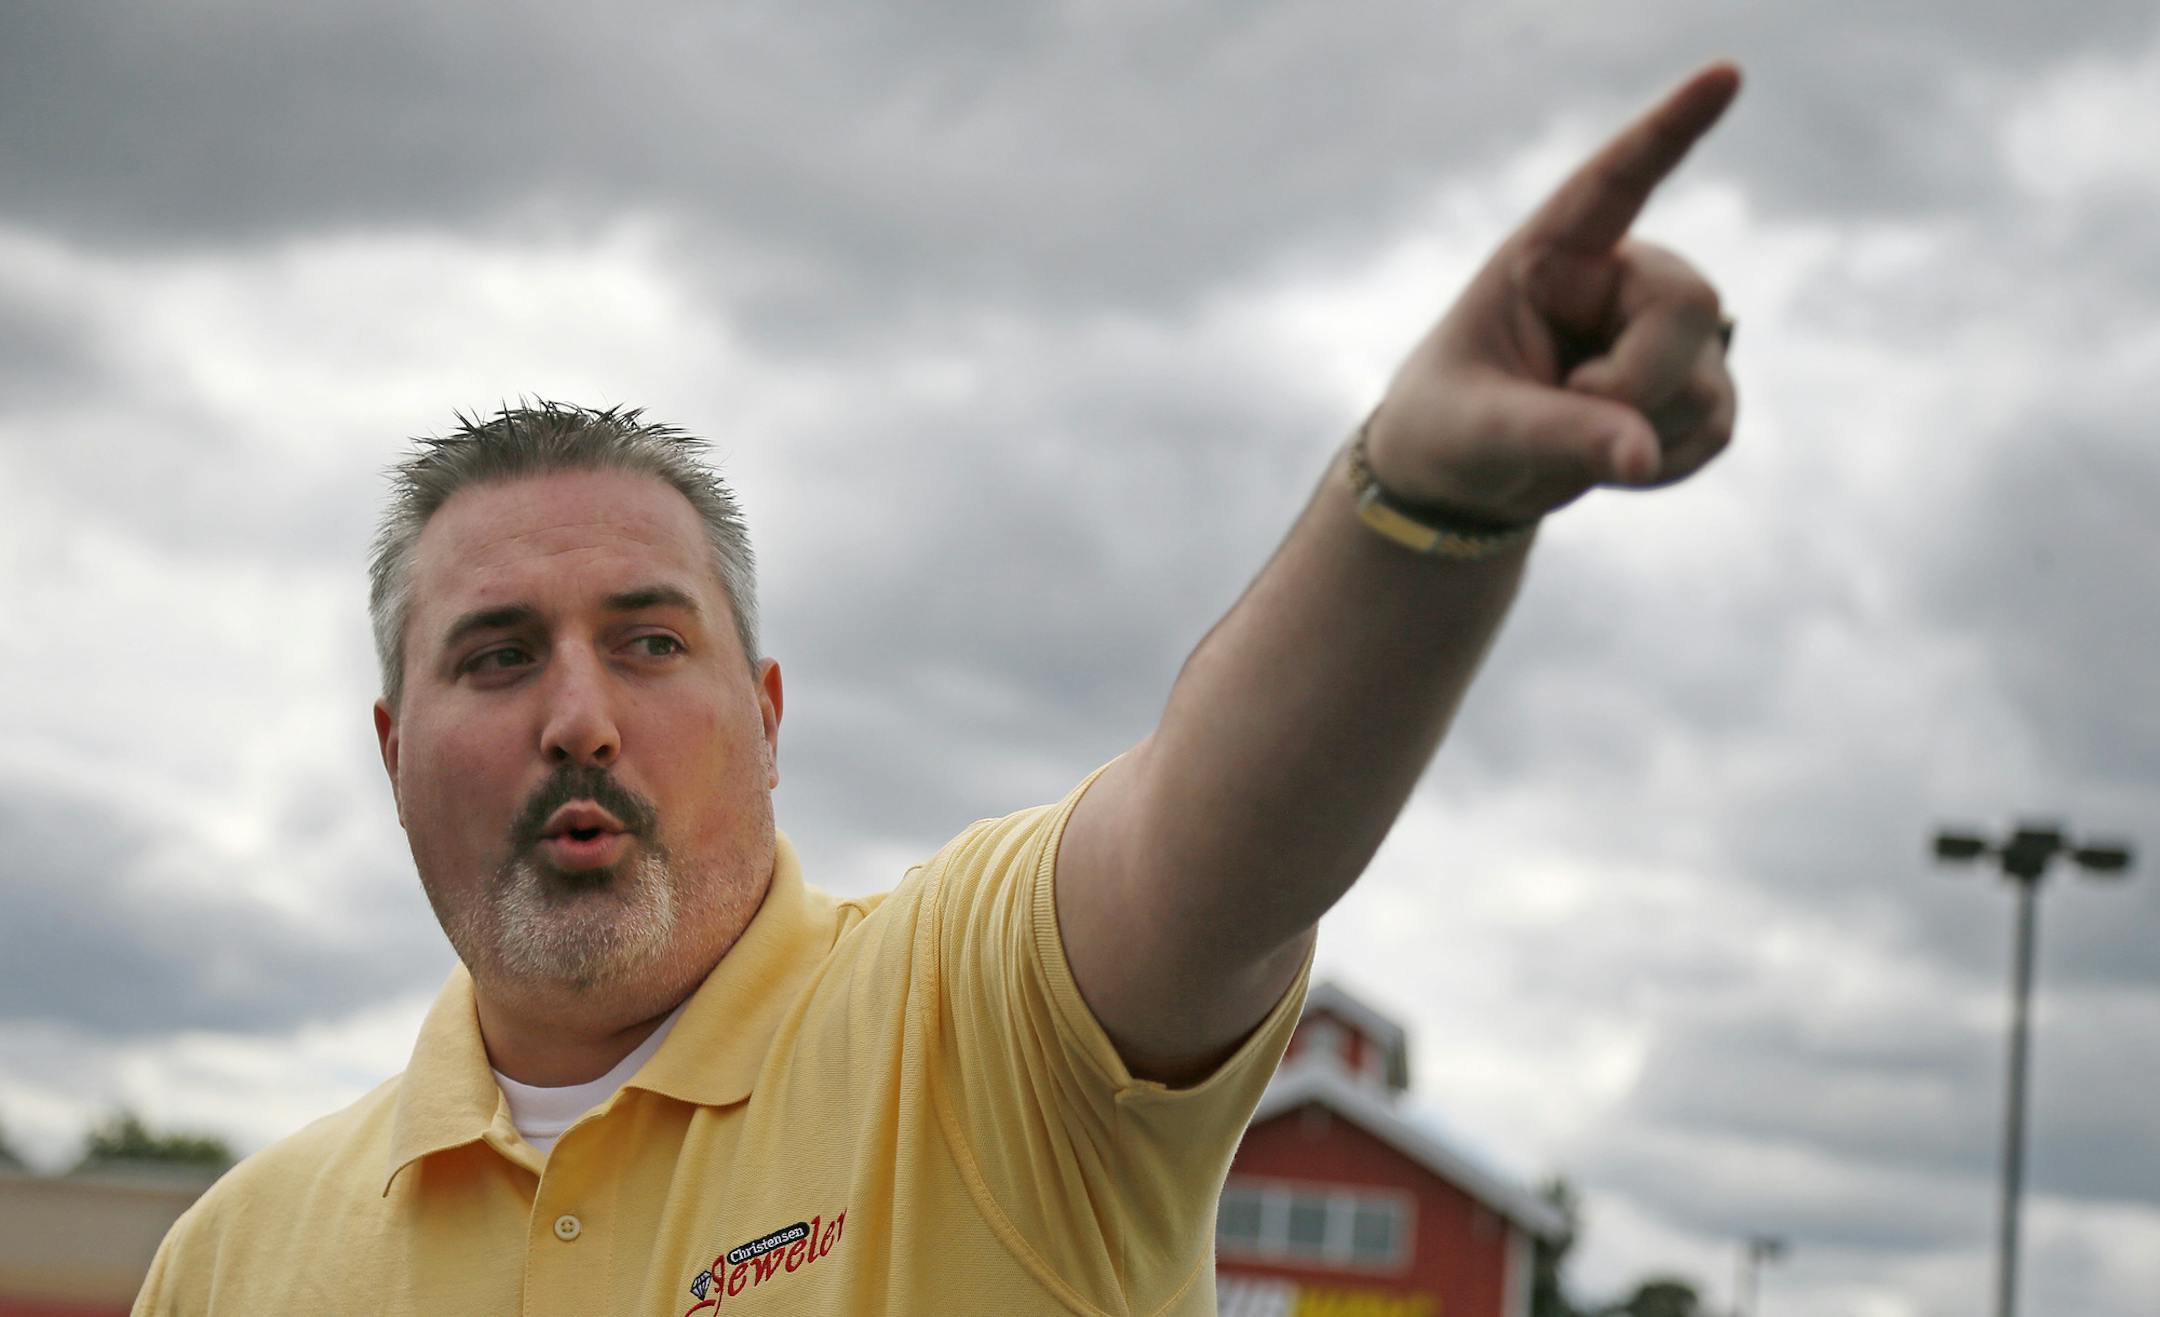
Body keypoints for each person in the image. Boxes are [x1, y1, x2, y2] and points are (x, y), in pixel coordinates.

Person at [133, 62, 1743, 1316]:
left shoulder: (971, 1032)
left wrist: (1422, 508)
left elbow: (1206, 846)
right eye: (497, 655)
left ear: (767, 715)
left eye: (648, 638)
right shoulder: (232, 1261)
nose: (579, 713)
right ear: (394, 747)